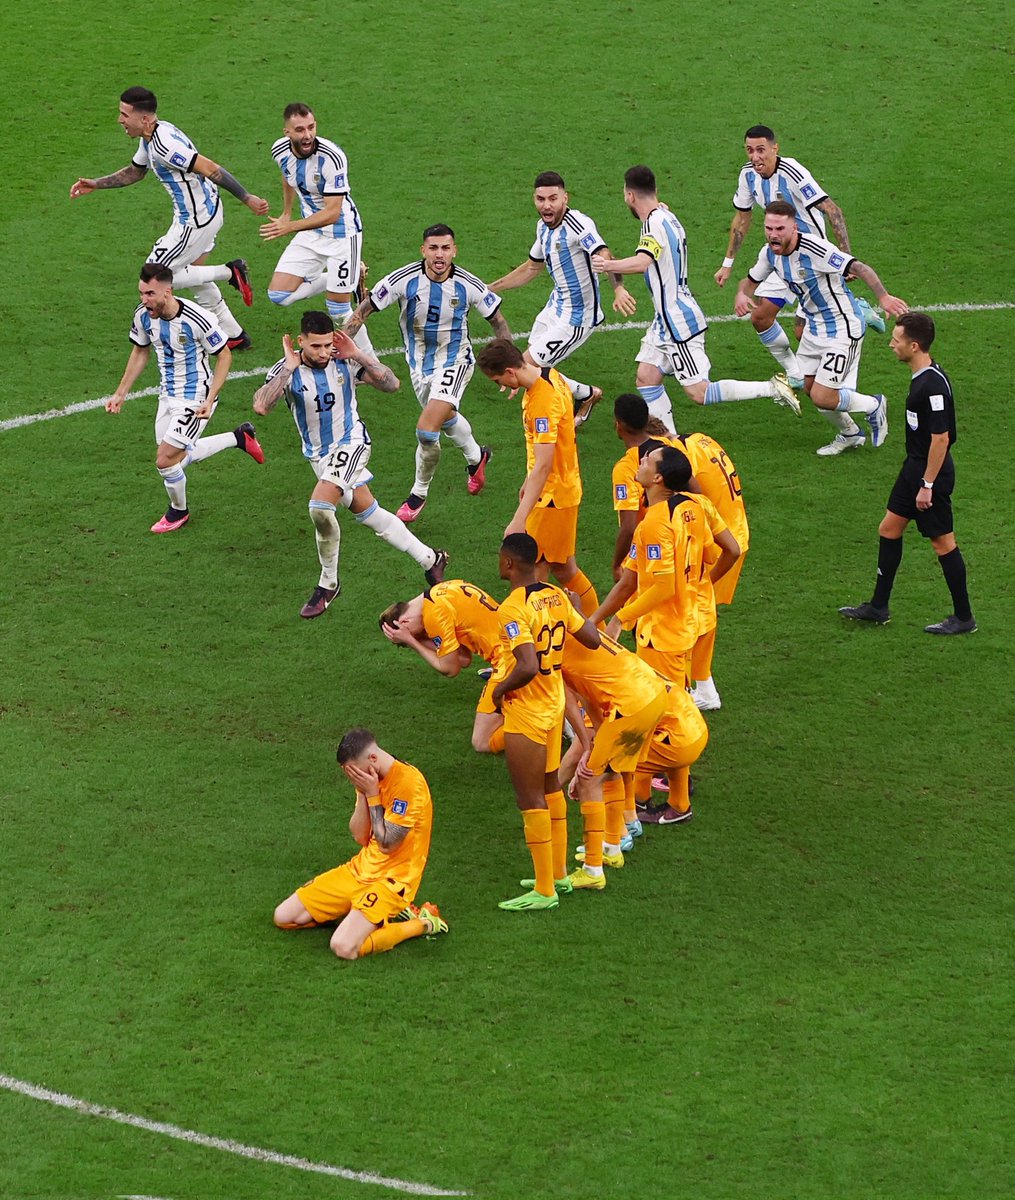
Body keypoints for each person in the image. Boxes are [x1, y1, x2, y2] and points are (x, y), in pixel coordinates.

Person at [251, 311, 448, 618]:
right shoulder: (286, 371)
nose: (322, 352)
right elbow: (262, 405)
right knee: (370, 514)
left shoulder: (344, 360)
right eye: (315, 346)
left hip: (351, 444)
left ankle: (328, 583)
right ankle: (430, 559)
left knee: (319, 507)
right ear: (300, 341)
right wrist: (288, 369)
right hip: (319, 456)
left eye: (327, 345)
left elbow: (392, 385)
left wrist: (359, 354)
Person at [590, 165, 799, 433]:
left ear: (629, 195)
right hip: (664, 320)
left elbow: (643, 262)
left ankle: (773, 388)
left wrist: (606, 266)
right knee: (646, 377)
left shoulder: (655, 223)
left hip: (678, 323)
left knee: (700, 392)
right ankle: (669, 440)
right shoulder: (665, 216)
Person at [71, 86, 268, 351]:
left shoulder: (165, 145)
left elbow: (210, 168)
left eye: (123, 114)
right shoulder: (152, 133)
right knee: (195, 275)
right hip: (207, 212)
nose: (120, 120)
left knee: (154, 278)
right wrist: (95, 184)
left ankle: (229, 271)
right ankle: (233, 335)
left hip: (194, 223)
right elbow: (135, 172)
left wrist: (247, 198)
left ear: (143, 119)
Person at [342, 225, 508, 523]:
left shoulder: (469, 285)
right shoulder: (403, 280)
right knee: (443, 419)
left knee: (426, 430)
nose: (439, 254)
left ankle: (418, 493)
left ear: (454, 250)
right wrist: (337, 344)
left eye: (445, 248)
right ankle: (476, 457)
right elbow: (363, 312)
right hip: (419, 366)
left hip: (456, 362)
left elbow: (498, 321)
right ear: (423, 251)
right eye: (433, 248)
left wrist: (509, 363)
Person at [713, 124, 885, 382]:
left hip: (812, 258)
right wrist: (728, 263)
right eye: (750, 150)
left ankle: (857, 311)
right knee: (760, 317)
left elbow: (832, 209)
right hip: (781, 256)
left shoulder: (792, 172)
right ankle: (795, 373)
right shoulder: (747, 175)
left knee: (802, 333)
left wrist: (845, 257)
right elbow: (742, 218)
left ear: (775, 148)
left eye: (761, 150)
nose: (755, 157)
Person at [839, 313, 976, 635]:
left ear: (914, 346)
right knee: (889, 529)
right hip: (913, 468)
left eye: (896, 340)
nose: (891, 344)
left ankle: (964, 617)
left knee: (943, 543)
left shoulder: (932, 386)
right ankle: (878, 606)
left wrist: (927, 485)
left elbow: (941, 439)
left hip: (930, 474)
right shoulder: (922, 378)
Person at [735, 201, 908, 454]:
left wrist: (883, 297)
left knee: (823, 396)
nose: (773, 234)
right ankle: (850, 433)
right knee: (809, 388)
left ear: (794, 228)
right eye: (769, 228)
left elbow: (859, 267)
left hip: (842, 327)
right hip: (815, 328)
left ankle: (874, 405)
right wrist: (742, 294)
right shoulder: (770, 253)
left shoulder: (816, 249)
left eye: (780, 228)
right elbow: (750, 280)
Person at [107, 263, 264, 533]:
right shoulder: (143, 315)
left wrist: (210, 398)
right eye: (142, 293)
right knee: (175, 459)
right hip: (167, 395)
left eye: (150, 294)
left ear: (167, 291)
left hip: (196, 398)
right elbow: (140, 351)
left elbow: (224, 355)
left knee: (165, 460)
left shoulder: (197, 318)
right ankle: (239, 437)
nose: (145, 300)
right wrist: (120, 393)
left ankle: (178, 512)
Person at [273, 727, 447, 959]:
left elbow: (387, 845)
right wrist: (364, 793)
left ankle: (424, 922)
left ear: (373, 758)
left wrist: (373, 795)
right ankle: (362, 915)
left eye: (354, 773)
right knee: (284, 917)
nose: (353, 778)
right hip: (360, 871)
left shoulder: (408, 784)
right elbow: (359, 836)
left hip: (393, 881)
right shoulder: (368, 780)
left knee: (344, 947)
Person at [493, 534, 600, 912]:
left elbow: (526, 665)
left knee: (530, 798)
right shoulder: (555, 595)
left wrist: (498, 691)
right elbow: (591, 639)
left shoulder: (511, 609)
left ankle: (544, 890)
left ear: (509, 564)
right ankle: (556, 874)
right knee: (551, 786)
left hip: (528, 709)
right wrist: (574, 609)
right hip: (555, 703)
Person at [488, 171, 637, 426]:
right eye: (540, 199)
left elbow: (603, 254)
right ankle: (586, 395)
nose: (546, 205)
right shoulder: (543, 228)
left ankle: (585, 395)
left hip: (578, 318)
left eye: (553, 198)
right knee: (534, 369)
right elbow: (532, 267)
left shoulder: (577, 225)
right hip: (554, 307)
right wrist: (490, 288)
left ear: (565, 199)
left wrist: (618, 288)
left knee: (524, 367)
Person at [593, 446, 740, 691]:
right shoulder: (697, 504)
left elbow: (663, 587)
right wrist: (594, 620)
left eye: (648, 460)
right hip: (691, 622)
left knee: (668, 713)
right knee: (676, 705)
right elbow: (726, 551)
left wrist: (619, 618)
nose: (641, 460)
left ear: (657, 478)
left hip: (662, 635)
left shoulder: (654, 524)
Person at [477, 338, 600, 617]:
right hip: (561, 488)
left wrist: (519, 518)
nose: (502, 386)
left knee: (531, 576)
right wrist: (528, 478)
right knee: (565, 568)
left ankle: (534, 649)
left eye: (500, 379)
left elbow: (544, 465)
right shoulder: (549, 374)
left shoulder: (541, 404)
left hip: (552, 498)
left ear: (511, 371)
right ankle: (599, 632)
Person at [558, 628, 668, 890]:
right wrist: (592, 748)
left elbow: (571, 701)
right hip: (653, 693)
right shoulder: (579, 632)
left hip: (631, 704)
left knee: (588, 782)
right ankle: (612, 847)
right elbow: (591, 695)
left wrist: (586, 746)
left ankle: (593, 870)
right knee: (612, 768)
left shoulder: (552, 649)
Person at [261, 102, 371, 346]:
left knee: (339, 311)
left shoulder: (332, 158)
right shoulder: (280, 150)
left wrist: (289, 227)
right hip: (311, 231)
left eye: (311, 127)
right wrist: (286, 213)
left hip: (342, 235)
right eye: (300, 130)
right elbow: (287, 175)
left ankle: (368, 363)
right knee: (278, 295)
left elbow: (332, 213)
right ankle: (352, 276)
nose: (308, 135)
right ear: (287, 132)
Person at [378, 580, 510, 754]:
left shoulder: (434, 614)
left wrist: (412, 642)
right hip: (518, 644)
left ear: (404, 622)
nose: (423, 635)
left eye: (417, 634)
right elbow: (463, 659)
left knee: (482, 741)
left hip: (509, 660)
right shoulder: (440, 591)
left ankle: (539, 724)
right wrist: (414, 638)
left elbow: (451, 669)